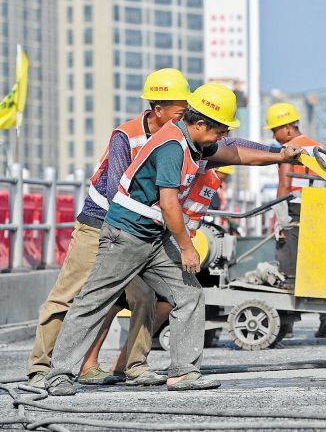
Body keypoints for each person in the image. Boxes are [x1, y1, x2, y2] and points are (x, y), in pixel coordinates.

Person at [44, 83, 302, 396]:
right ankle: (59, 374)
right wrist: (187, 247)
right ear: (201, 124)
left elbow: (235, 152)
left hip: (153, 237)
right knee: (94, 300)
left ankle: (184, 372)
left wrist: (280, 156)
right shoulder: (171, 146)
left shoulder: (196, 143)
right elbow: (169, 205)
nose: (222, 137)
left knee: (189, 295)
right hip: (126, 234)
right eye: (219, 130)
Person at [27, 68, 191, 388]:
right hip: (98, 227)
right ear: (158, 109)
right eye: (180, 112)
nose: (183, 119)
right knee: (66, 297)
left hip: (129, 230)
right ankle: (40, 368)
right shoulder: (126, 135)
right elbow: (118, 188)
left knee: (143, 295)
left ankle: (135, 366)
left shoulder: (174, 138)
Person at [266, 102, 326, 339]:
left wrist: (279, 220)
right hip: (319, 211)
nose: (274, 137)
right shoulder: (321, 148)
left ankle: (286, 325)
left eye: (274, 130)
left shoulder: (288, 150)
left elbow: (284, 186)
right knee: (319, 264)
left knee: (288, 267)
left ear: (287, 128)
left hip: (295, 212)